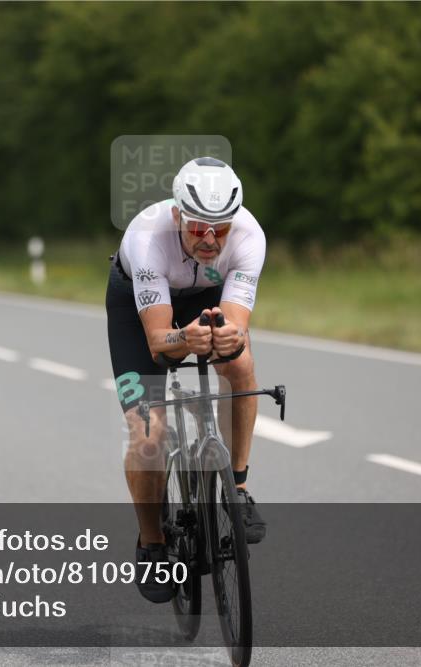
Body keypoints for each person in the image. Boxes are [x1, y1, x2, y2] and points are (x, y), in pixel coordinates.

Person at [106, 157, 266, 603]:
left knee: (240, 365)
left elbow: (233, 330)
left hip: (207, 293)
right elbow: (159, 342)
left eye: (222, 229)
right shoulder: (146, 237)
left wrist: (228, 340)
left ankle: (238, 485)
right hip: (138, 305)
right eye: (198, 228)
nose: (211, 240)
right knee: (146, 432)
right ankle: (153, 544)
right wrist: (184, 336)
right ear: (178, 215)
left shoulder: (250, 236)